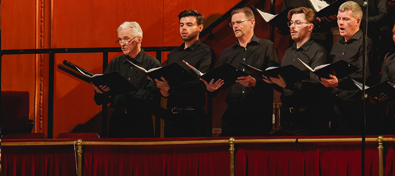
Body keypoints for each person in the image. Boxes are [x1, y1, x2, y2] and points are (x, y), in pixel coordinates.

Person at [212, 7, 279, 136]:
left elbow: (274, 80)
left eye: (239, 22)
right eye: (233, 23)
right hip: (233, 112)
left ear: (252, 22)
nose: (235, 26)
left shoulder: (267, 46)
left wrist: (255, 82)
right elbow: (221, 82)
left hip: (258, 112)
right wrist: (212, 87)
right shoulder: (227, 53)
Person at [263, 7, 329, 135]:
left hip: (309, 119)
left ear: (310, 27)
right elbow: (284, 87)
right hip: (287, 117)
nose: (292, 27)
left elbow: (317, 88)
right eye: (291, 23)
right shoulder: (288, 52)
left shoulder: (318, 52)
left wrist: (287, 85)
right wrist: (274, 82)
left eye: (298, 23)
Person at [92, 21, 160, 137]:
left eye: (126, 39)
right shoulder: (115, 63)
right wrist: (99, 92)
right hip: (118, 121)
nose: (122, 44)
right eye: (120, 40)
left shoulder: (152, 64)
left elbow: (152, 97)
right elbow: (100, 100)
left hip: (141, 122)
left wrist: (126, 90)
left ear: (139, 39)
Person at [157, 9, 214, 137]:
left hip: (193, 116)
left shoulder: (206, 52)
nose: (183, 28)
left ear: (200, 28)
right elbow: (168, 80)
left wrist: (171, 89)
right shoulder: (174, 53)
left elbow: (202, 84)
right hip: (172, 115)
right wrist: (164, 91)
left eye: (189, 25)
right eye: (181, 25)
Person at [322, 1, 376, 133]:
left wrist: (338, 83)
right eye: (339, 18)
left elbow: (365, 76)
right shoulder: (336, 46)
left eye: (345, 19)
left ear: (358, 21)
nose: (340, 23)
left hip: (356, 110)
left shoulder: (365, 43)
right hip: (336, 109)